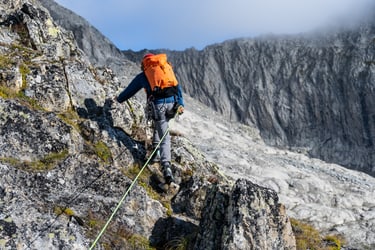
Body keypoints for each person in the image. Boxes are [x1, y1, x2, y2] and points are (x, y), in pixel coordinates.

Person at [116, 53, 184, 184]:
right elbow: (178, 87)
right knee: (159, 126)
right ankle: (156, 153)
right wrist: (181, 104)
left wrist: (119, 100)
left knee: (164, 135)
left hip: (159, 106)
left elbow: (130, 90)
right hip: (173, 104)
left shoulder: (145, 75)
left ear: (145, 64)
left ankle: (166, 167)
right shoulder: (166, 69)